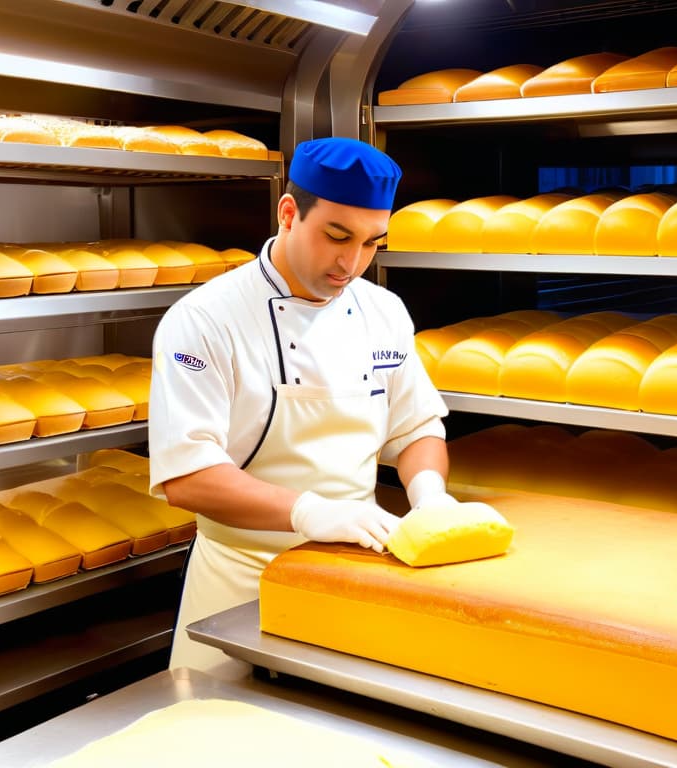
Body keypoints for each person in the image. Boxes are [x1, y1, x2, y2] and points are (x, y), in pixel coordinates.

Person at [147, 136, 456, 675]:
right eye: (337, 236)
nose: (351, 262)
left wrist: (429, 496)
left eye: (371, 243)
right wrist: (311, 513)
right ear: (288, 213)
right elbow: (187, 476)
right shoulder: (204, 320)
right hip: (238, 579)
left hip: (352, 575)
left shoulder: (384, 311)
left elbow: (417, 425)